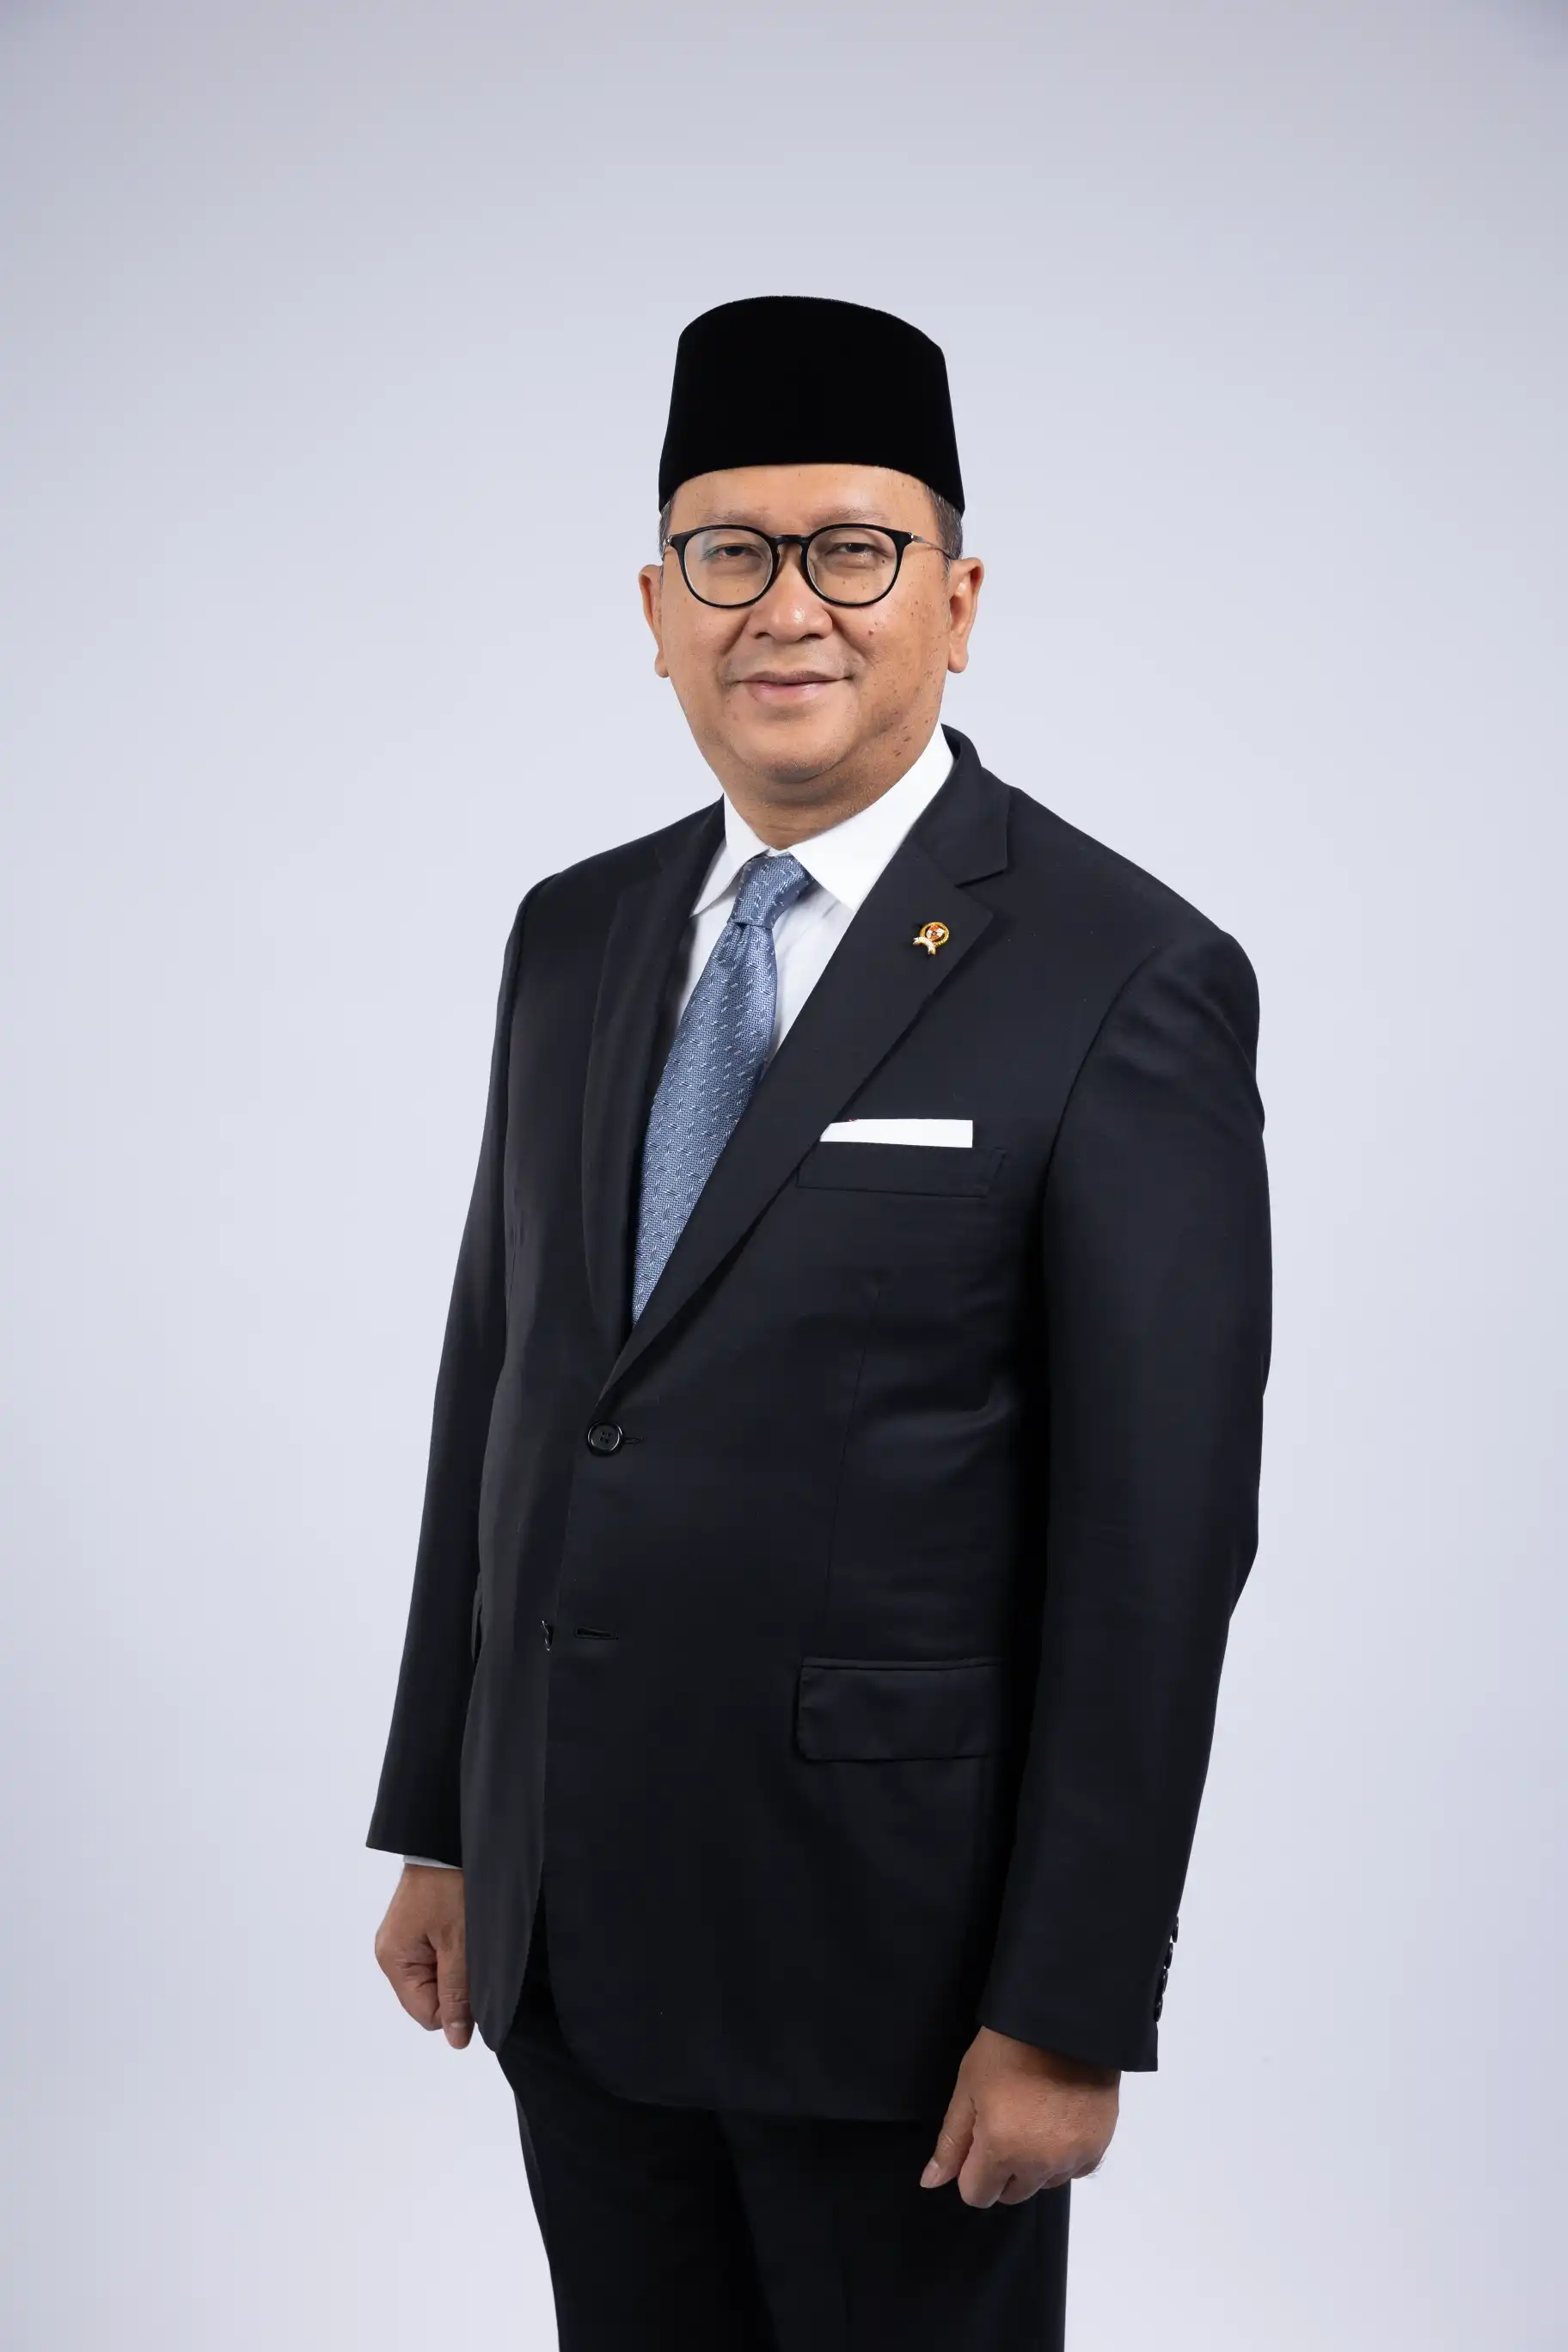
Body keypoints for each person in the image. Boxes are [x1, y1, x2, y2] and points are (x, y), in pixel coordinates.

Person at [368, 294, 1271, 2349]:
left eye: (854, 550)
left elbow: (1157, 1549)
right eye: (730, 553)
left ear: (958, 599)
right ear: (656, 609)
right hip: (573, 1925)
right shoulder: (576, 933)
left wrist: (1069, 2002)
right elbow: (503, 1386)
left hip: (898, 1975)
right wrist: (442, 1818)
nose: (789, 607)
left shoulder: (1123, 973)